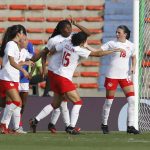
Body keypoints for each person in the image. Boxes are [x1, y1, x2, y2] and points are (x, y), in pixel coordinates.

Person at [29, 31, 122, 134]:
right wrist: (113, 50)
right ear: (82, 42)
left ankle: (35, 120)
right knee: (78, 102)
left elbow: (53, 50)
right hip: (64, 78)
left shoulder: (67, 43)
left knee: (55, 104)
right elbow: (98, 54)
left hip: (56, 75)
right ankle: (71, 127)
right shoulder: (79, 50)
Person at [30, 18, 92, 134]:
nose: (70, 29)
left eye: (70, 27)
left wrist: (76, 23)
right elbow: (45, 53)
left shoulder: (73, 36)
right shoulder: (54, 40)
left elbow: (88, 33)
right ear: (61, 29)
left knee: (59, 102)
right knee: (63, 102)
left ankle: (42, 121)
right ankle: (68, 126)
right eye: (67, 28)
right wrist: (43, 68)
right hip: (56, 72)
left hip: (63, 73)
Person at [100, 25, 140, 134]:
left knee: (132, 100)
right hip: (112, 76)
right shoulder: (112, 43)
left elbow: (134, 57)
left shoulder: (131, 45)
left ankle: (130, 126)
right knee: (109, 102)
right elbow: (99, 52)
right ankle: (104, 124)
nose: (117, 34)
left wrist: (133, 67)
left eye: (119, 32)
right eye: (116, 32)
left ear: (125, 34)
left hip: (124, 76)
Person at [0, 24, 34, 134]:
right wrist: (24, 70)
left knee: (11, 103)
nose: (24, 35)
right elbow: (12, 62)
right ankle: (3, 124)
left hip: (13, 78)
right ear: (18, 34)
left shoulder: (15, 46)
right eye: (23, 33)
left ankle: (5, 126)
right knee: (17, 101)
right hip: (7, 77)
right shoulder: (11, 44)